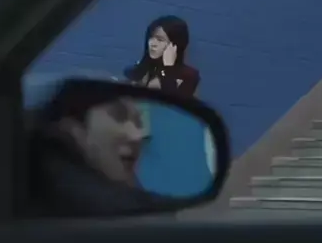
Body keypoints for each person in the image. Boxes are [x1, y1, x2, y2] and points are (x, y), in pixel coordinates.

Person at [26, 77, 168, 217]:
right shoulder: (71, 197)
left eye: (138, 122)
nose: (137, 136)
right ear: (72, 131)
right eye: (119, 115)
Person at [124, 15, 201, 97]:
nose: (152, 44)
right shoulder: (140, 69)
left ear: (175, 45)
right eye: (151, 37)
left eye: (160, 40)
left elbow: (172, 100)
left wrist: (168, 69)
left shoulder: (189, 76)